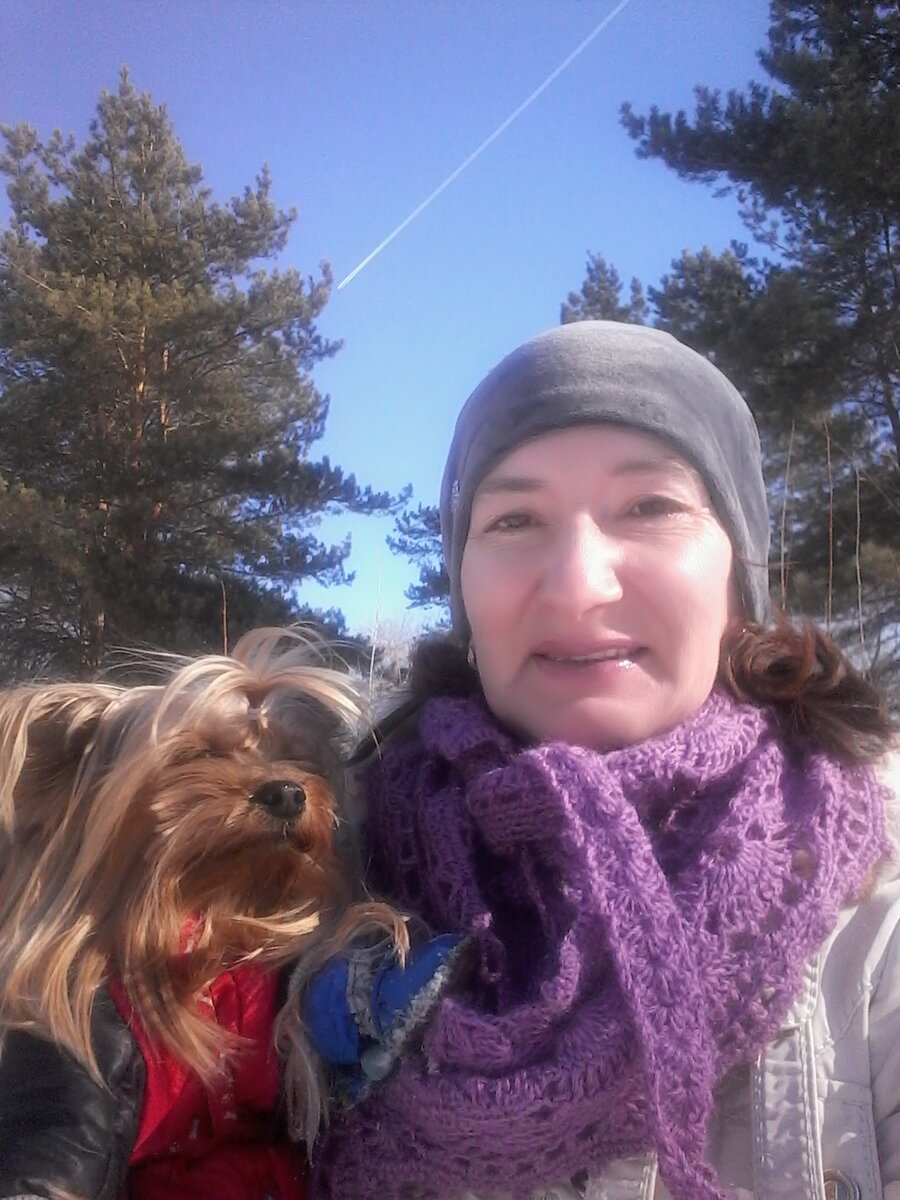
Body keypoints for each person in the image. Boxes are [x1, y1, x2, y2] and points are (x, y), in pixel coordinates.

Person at [308, 321, 900, 1200]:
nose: (580, 581)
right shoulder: (309, 891)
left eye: (651, 507)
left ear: (740, 583)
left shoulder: (875, 933)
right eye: (514, 518)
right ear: (464, 591)